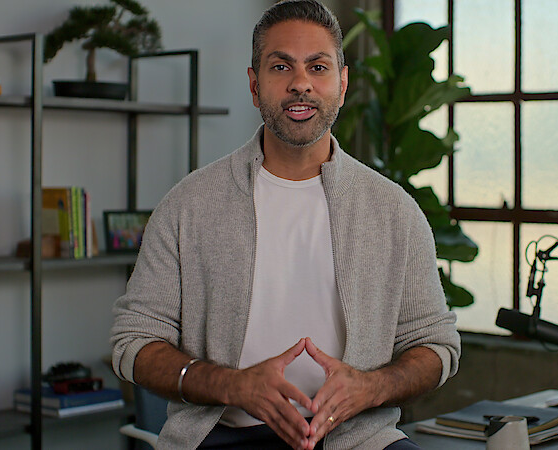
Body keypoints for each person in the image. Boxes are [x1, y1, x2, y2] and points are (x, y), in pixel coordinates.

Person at [110, 1, 460, 449]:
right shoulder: (188, 207)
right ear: (255, 85)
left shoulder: (394, 211)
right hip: (220, 436)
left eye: (318, 67)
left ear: (342, 82)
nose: (300, 84)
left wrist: (371, 388)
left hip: (357, 439)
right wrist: (230, 386)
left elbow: (437, 345)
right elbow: (133, 341)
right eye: (281, 67)